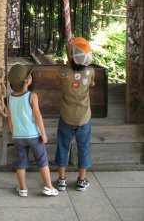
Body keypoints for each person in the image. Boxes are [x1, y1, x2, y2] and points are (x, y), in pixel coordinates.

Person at [7, 63, 58, 197]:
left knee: (21, 163)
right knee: (42, 161)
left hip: (18, 137)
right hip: (34, 136)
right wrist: (44, 133)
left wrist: (13, 134)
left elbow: (10, 119)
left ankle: (23, 189)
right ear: (28, 81)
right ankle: (48, 187)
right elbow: (37, 116)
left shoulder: (9, 98)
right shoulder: (32, 96)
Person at [55, 37, 95, 192]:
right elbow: (90, 83)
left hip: (66, 116)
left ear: (70, 55)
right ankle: (81, 180)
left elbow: (59, 83)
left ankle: (62, 180)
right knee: (84, 147)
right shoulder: (90, 71)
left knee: (63, 145)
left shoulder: (62, 72)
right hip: (84, 117)